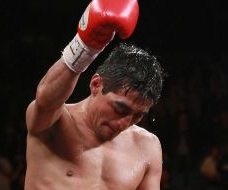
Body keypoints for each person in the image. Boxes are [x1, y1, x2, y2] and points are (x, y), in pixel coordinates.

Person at [25, 0, 166, 189]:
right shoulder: (53, 123)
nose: (124, 123)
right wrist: (86, 46)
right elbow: (45, 100)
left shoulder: (146, 146)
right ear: (96, 84)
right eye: (120, 108)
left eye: (137, 115)